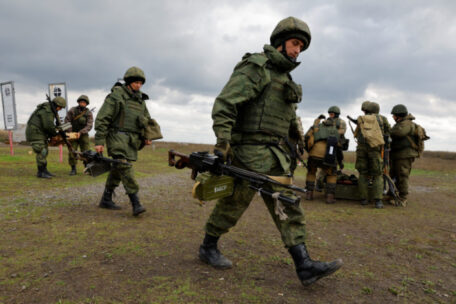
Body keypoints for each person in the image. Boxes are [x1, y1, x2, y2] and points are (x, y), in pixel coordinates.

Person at [198, 16, 342, 286]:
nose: (297, 50)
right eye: (294, 43)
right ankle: (303, 265)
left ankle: (303, 265)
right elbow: (226, 103)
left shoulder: (284, 78)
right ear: (280, 42)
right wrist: (222, 143)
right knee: (263, 200)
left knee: (256, 201)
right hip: (249, 151)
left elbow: (288, 118)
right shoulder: (257, 67)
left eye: (301, 46)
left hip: (274, 154)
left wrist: (298, 144)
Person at [94, 66, 153, 216]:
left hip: (131, 140)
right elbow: (102, 118)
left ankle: (106, 199)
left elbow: (146, 119)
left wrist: (147, 136)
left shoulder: (140, 100)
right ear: (129, 82)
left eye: (141, 83)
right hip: (116, 136)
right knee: (124, 166)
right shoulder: (116, 96)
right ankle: (136, 203)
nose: (139, 85)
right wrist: (99, 141)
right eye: (136, 82)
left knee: (117, 168)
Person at [354, 101, 390, 208]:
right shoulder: (382, 119)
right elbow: (388, 132)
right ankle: (378, 201)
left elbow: (357, 134)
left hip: (361, 150)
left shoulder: (361, 118)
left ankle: (364, 199)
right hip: (376, 150)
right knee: (378, 174)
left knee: (363, 174)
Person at [26, 96, 66, 179]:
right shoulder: (47, 111)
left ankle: (44, 170)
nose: (59, 109)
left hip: (39, 133)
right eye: (60, 108)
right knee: (41, 151)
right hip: (36, 133)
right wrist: (55, 134)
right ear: (56, 105)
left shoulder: (48, 109)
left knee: (45, 151)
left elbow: (49, 125)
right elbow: (48, 126)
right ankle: (41, 172)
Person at [304, 114, 340, 204]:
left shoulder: (316, 127)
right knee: (331, 175)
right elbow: (339, 145)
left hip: (314, 155)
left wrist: (309, 150)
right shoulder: (335, 130)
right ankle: (329, 197)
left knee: (311, 172)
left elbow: (306, 137)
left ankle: (309, 194)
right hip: (328, 156)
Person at [389, 104, 419, 206]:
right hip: (397, 154)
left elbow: (400, 133)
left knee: (402, 175)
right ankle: (394, 194)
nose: (393, 117)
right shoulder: (400, 123)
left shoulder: (407, 124)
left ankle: (402, 199)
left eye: (394, 115)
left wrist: (388, 131)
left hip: (404, 155)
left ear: (399, 115)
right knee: (393, 175)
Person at [314, 106, 347, 193]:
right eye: (329, 114)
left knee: (334, 164)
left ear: (336, 114)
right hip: (326, 144)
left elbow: (342, 132)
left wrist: (331, 130)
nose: (330, 115)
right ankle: (319, 184)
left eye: (332, 114)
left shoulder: (341, 122)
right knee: (324, 167)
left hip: (336, 144)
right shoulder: (325, 121)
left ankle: (340, 163)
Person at [64, 95, 93, 175]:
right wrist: (70, 132)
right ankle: (73, 169)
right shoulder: (72, 110)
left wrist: (80, 132)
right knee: (72, 151)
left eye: (84, 102)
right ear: (79, 102)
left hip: (83, 135)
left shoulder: (89, 113)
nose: (82, 103)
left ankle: (87, 168)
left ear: (86, 104)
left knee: (86, 152)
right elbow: (67, 121)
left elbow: (89, 125)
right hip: (72, 134)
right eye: (81, 102)